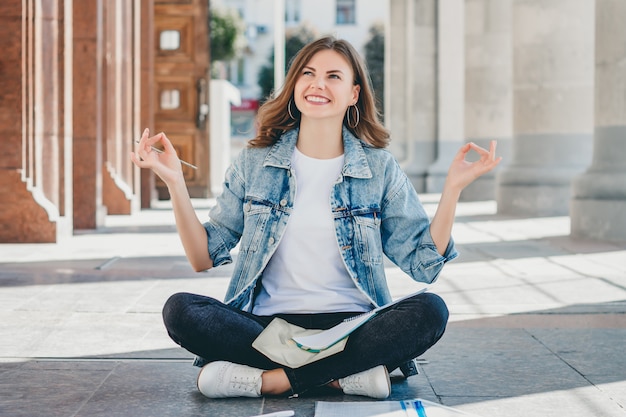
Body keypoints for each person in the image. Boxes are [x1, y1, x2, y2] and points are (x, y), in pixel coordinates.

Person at [131, 36, 501, 400]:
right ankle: (342, 376)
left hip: (350, 327)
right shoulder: (254, 163)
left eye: (333, 76)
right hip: (267, 328)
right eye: (307, 73)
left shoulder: (379, 168)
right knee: (180, 310)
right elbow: (202, 257)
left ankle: (272, 381)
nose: (317, 84)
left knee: (431, 310)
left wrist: (452, 190)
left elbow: (422, 265)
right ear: (294, 86)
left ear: (354, 93)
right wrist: (174, 181)